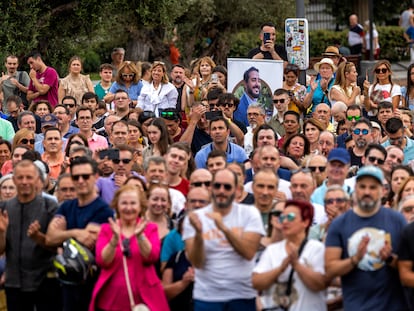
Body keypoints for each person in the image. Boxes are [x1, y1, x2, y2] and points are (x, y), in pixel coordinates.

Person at [325, 166, 408, 310]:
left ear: (383, 190)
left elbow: (409, 268)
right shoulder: (339, 224)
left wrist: (389, 259)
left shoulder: (397, 220)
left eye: (373, 187)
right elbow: (330, 269)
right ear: (355, 189)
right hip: (356, 306)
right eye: (362, 186)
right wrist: (355, 259)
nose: (367, 192)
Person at [183, 168, 265, 310]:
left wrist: (224, 228)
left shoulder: (249, 214)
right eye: (217, 186)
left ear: (237, 190)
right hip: (208, 297)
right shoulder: (196, 218)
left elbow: (248, 253)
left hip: (242, 295)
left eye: (227, 187)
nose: (221, 190)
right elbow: (197, 262)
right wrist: (198, 234)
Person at [45, 156, 113, 311]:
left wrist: (63, 234)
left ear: (96, 177)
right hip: (67, 285)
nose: (81, 180)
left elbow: (88, 241)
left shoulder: (104, 211)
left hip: (94, 286)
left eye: (85, 176)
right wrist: (76, 232)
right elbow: (50, 238)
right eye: (76, 177)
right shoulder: (66, 207)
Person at [89, 184, 169, 311]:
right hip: (110, 301)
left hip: (144, 301)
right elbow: (102, 261)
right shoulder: (107, 229)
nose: (128, 208)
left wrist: (140, 236)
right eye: (124, 203)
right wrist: (114, 240)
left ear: (140, 206)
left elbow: (152, 257)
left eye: (133, 203)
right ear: (117, 205)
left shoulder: (150, 228)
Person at [0, 160, 61, 310]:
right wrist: (2, 232)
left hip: (44, 281)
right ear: (14, 180)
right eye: (20, 178)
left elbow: (58, 246)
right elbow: (1, 250)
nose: (25, 182)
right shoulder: (5, 208)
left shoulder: (49, 206)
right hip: (14, 282)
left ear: (37, 180)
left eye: (29, 177)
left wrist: (39, 238)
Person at [252, 199, 326, 311]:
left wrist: (297, 265)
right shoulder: (272, 250)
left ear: (305, 222)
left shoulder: (317, 249)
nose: (285, 221)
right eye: (282, 217)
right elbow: (256, 282)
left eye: (290, 217)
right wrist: (280, 269)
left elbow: (319, 284)